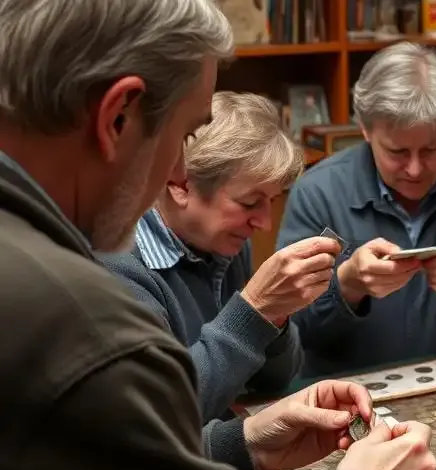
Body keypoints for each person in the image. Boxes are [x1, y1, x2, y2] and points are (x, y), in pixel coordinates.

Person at [0, 1, 436, 470]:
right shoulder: (86, 323)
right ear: (117, 117)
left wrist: (248, 441)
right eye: (185, 133)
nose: (179, 169)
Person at [277, 41, 436, 378]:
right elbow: (288, 327)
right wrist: (346, 286)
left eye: (431, 150)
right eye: (398, 152)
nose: (416, 169)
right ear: (365, 129)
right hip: (351, 396)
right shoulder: (317, 193)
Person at [100, 91, 334, 424]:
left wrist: (277, 315)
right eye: (250, 203)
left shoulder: (224, 243)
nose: (265, 223)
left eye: (272, 200)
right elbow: (164, 414)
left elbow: (273, 382)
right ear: (180, 185)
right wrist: (255, 310)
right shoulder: (119, 265)